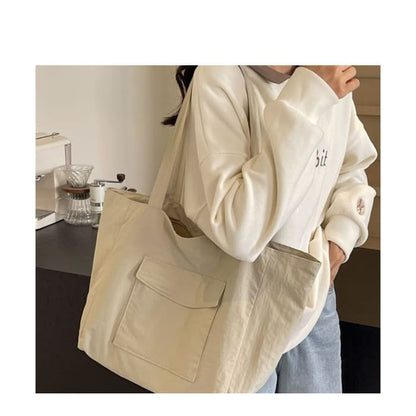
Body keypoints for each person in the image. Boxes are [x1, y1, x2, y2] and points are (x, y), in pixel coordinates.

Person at [162, 65, 377, 393]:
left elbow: (351, 167)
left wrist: (340, 240)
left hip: (314, 296)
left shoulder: (326, 69)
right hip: (235, 303)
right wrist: (310, 95)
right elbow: (239, 230)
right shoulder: (220, 75)